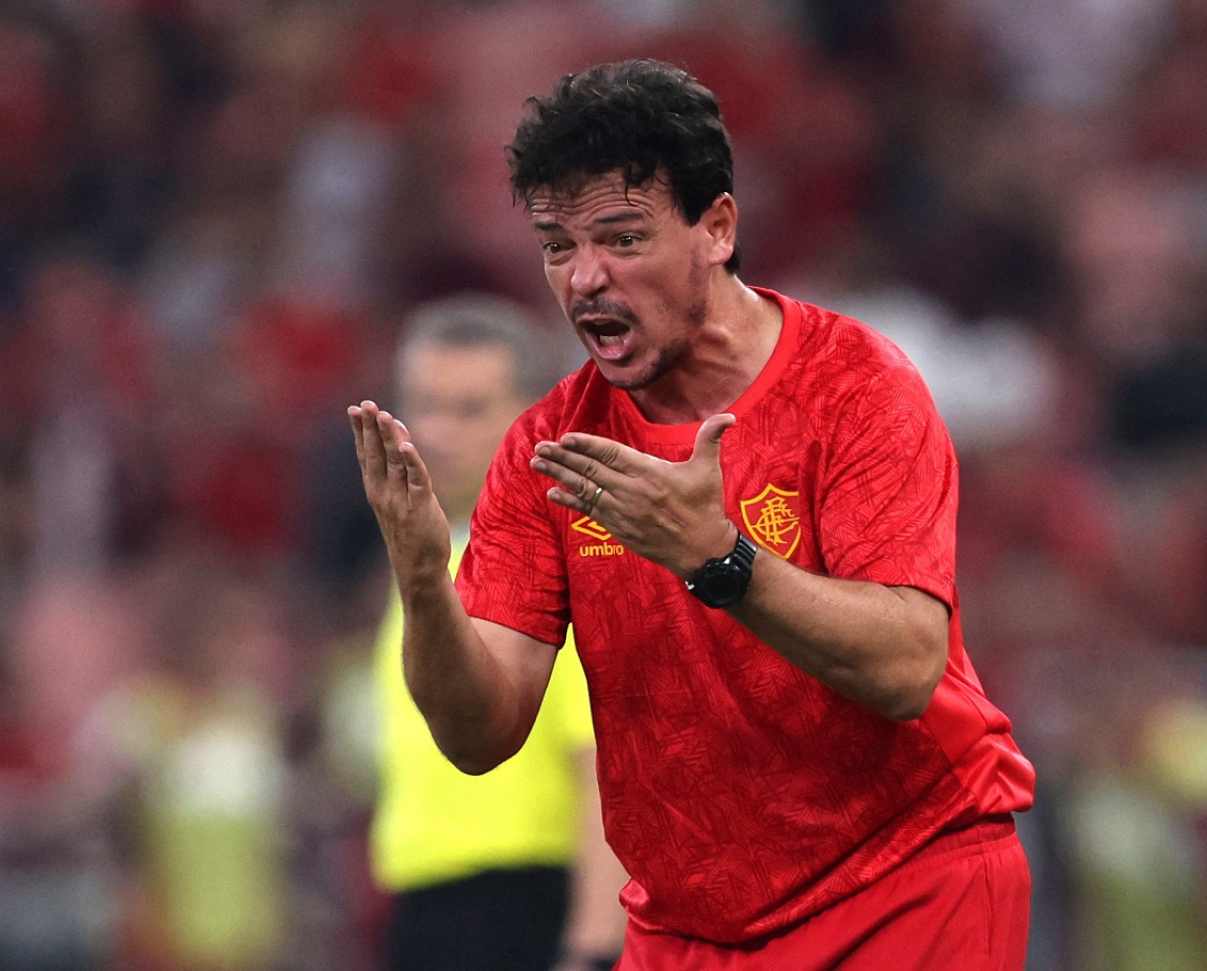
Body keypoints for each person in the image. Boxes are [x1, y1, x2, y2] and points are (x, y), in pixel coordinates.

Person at [349, 59, 1036, 970]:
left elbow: (909, 664)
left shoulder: (857, 386)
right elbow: (481, 734)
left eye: (622, 238)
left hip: (905, 882)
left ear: (716, 229)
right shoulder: (547, 449)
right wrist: (426, 578)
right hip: (691, 933)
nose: (586, 279)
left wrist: (720, 559)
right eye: (558, 245)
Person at [366, 293, 627, 971]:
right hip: (426, 910)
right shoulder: (434, 555)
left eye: (470, 408)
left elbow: (604, 770)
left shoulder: (552, 561)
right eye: (423, 404)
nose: (439, 431)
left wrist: (593, 948)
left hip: (520, 906)